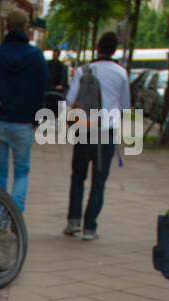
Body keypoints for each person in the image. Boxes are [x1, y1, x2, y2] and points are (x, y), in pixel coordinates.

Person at [63, 32, 131, 240]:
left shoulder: (83, 71)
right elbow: (125, 105)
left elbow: (70, 98)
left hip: (85, 129)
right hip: (107, 133)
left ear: (97, 46)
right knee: (99, 181)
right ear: (114, 50)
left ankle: (73, 221)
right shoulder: (121, 73)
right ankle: (90, 227)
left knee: (78, 177)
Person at [0, 10, 48, 213]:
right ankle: (15, 213)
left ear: (7, 27)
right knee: (21, 172)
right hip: (24, 123)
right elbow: (41, 90)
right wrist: (36, 118)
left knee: (0, 173)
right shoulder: (36, 57)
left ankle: (0, 215)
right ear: (26, 28)